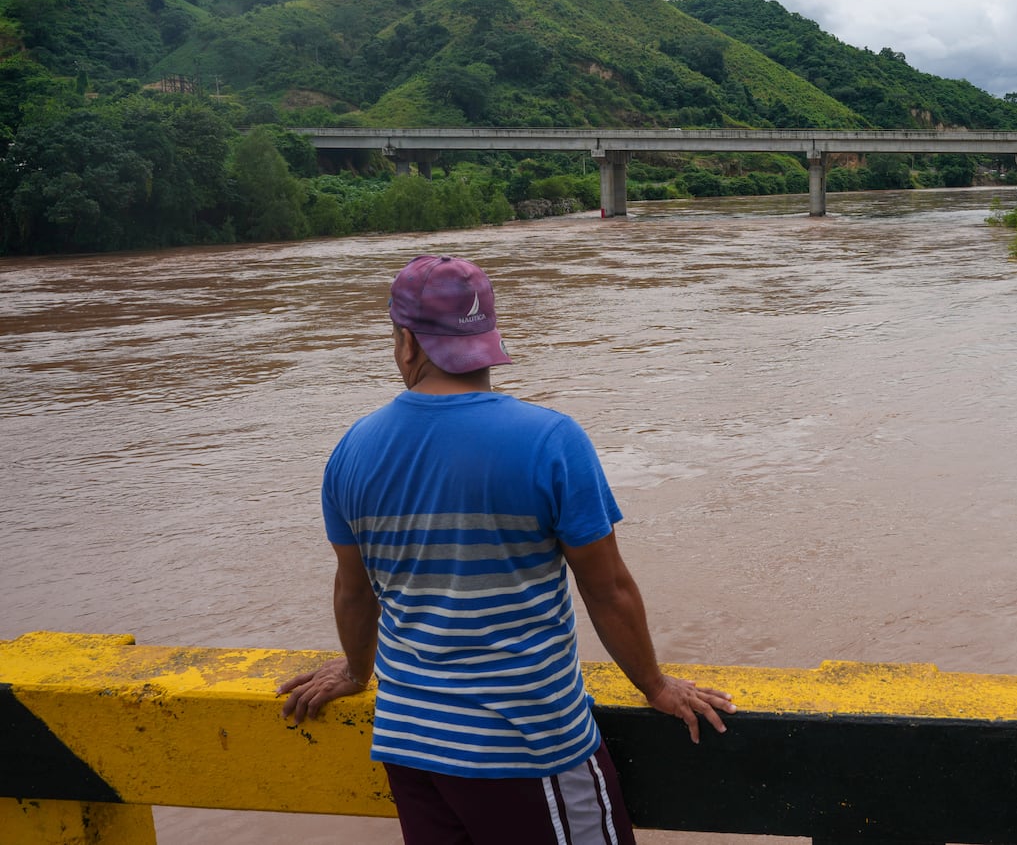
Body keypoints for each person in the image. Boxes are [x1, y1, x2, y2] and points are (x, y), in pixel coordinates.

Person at [278, 254, 735, 845]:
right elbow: (607, 587)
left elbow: (353, 590)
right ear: (488, 339)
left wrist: (357, 670)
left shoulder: (351, 451)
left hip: (411, 746)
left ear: (407, 343)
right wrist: (655, 686)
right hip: (526, 747)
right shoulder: (550, 439)